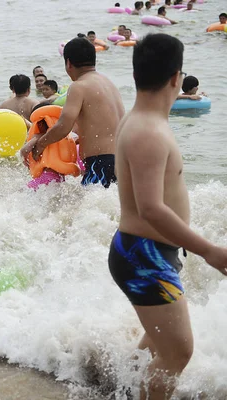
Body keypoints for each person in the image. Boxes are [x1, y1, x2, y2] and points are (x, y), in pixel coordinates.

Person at [111, 33, 227, 400]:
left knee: (158, 345)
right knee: (177, 353)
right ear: (177, 77)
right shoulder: (148, 131)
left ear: (135, 74)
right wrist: (209, 250)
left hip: (147, 253)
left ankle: (121, 388)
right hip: (143, 255)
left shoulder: (140, 120)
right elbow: (151, 208)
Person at [20, 37, 125, 188]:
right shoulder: (109, 85)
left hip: (101, 162)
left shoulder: (78, 86)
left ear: (68, 63)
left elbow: (63, 126)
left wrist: (40, 145)